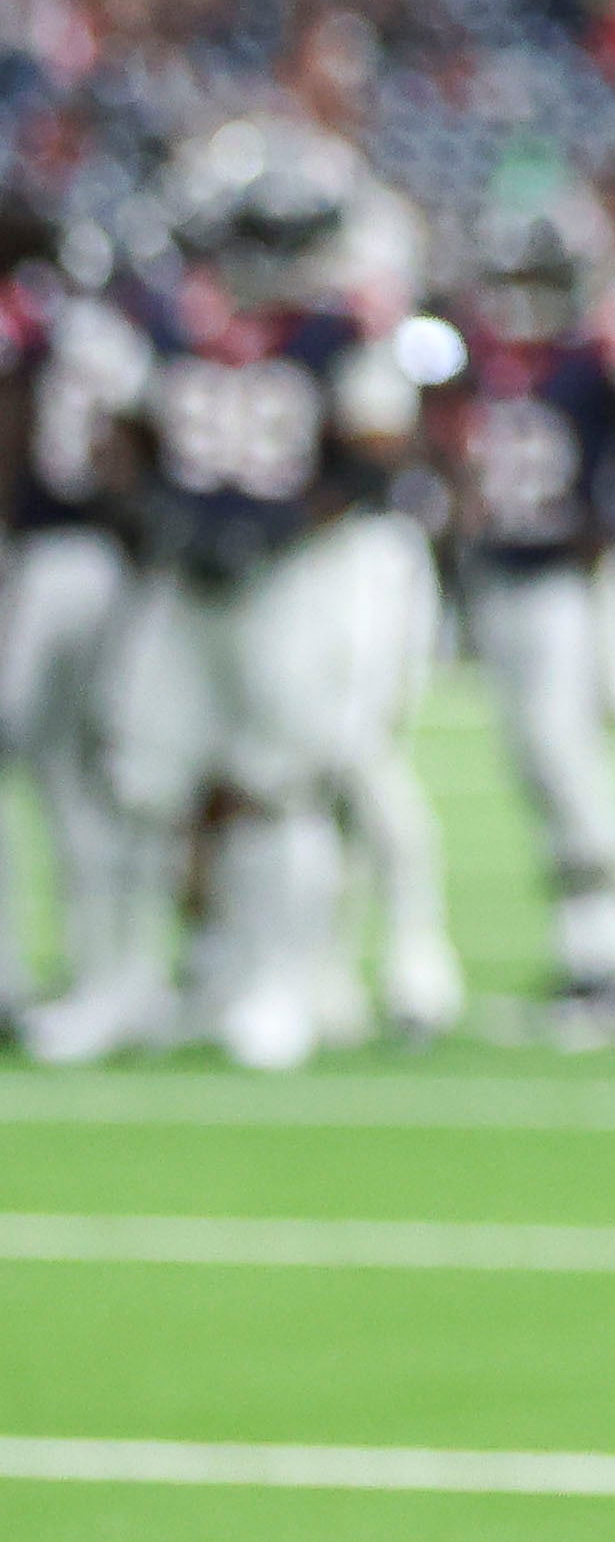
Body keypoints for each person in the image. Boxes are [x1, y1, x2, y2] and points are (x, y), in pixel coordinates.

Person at [62, 124, 425, 1072]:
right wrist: (157, 513)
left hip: (292, 578)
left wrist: (289, 522)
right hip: (182, 579)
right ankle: (121, 985)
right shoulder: (162, 319)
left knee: (281, 780)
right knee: (138, 781)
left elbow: (377, 450)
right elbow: (119, 436)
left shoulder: (345, 326)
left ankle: (276, 986)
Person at [433, 191, 615, 1048]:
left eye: (533, 273)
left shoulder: (603, 351)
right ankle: (588, 957)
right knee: (539, 767)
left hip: (574, 585)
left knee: (566, 763)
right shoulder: (485, 357)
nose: (518, 290)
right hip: (507, 580)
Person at [0, 204, 148, 1035]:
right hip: (108, 560)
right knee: (78, 774)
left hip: (44, 556)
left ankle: (48, 973)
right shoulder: (114, 329)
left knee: (56, 771)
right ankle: (103, 969)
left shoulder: (33, 324)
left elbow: (16, 436)